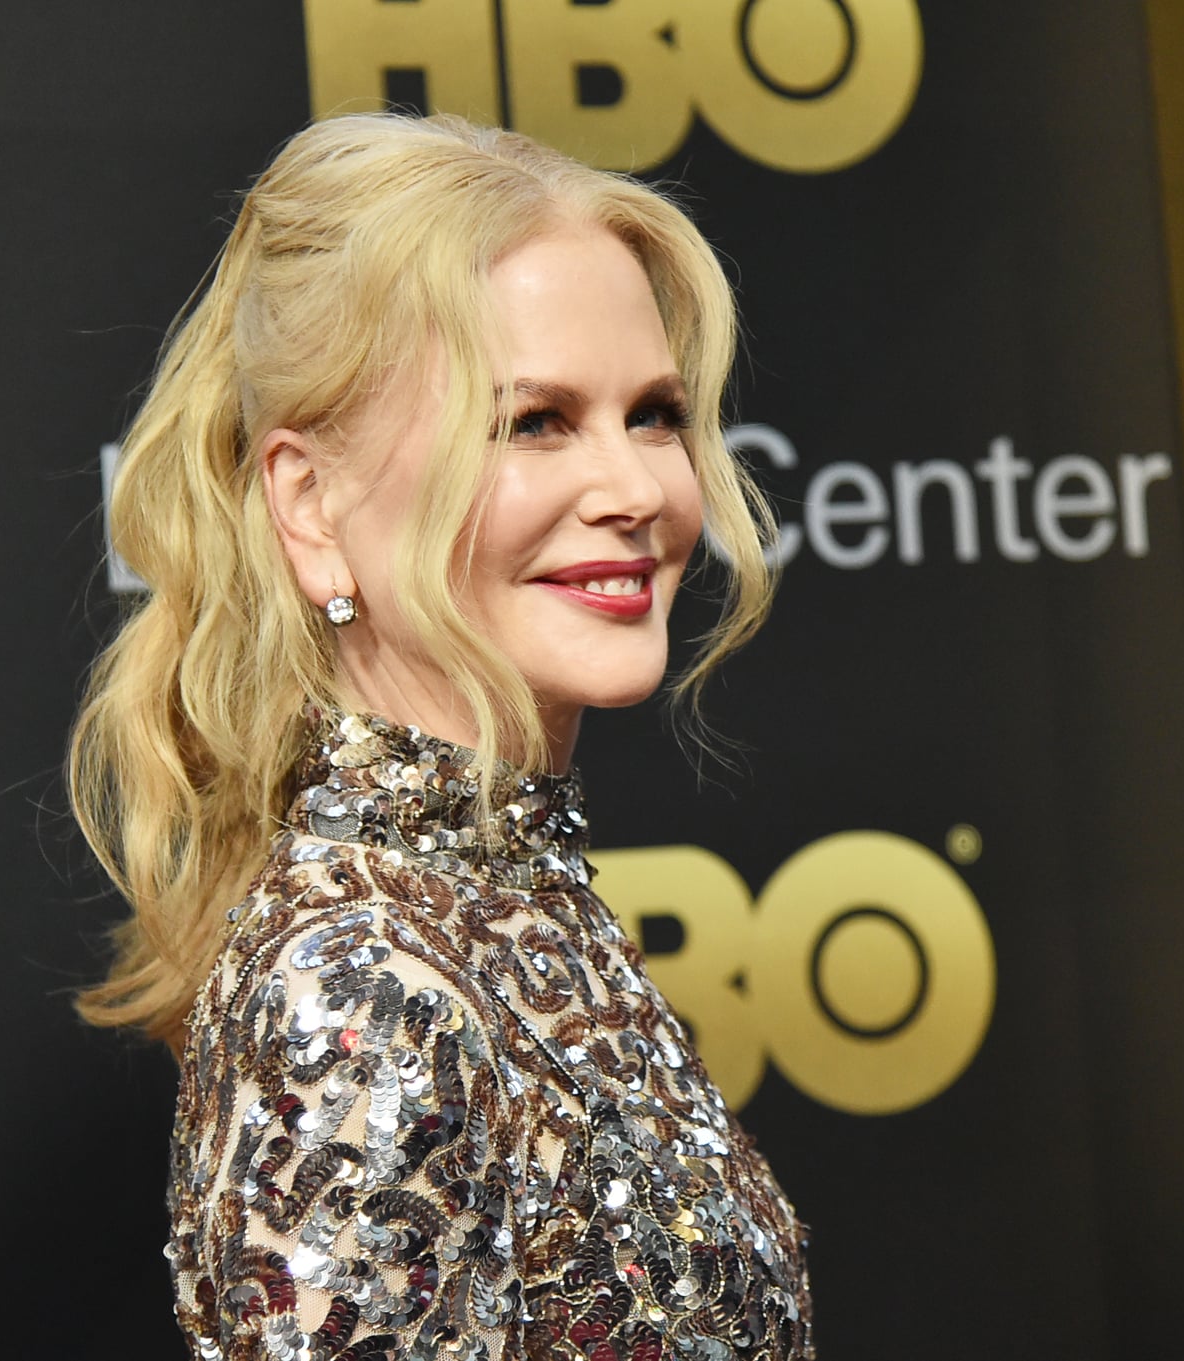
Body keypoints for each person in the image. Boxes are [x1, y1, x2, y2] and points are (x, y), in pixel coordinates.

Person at [70, 113, 810, 1360]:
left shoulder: (500, 901)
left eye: (653, 413)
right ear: (309, 504)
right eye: (531, 421)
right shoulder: (359, 983)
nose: (633, 488)